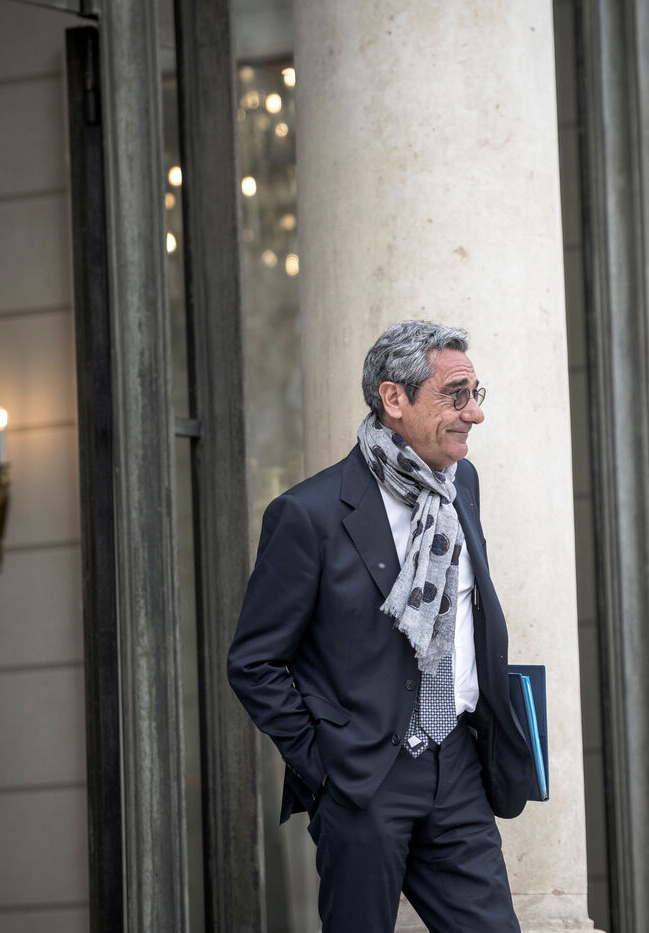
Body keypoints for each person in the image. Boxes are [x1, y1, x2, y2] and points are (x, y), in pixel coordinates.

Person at [227, 320, 536, 932]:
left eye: (476, 394)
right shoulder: (308, 515)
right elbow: (254, 663)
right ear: (394, 399)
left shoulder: (461, 485)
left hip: (457, 767)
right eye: (455, 395)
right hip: (362, 781)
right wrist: (325, 767)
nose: (474, 413)